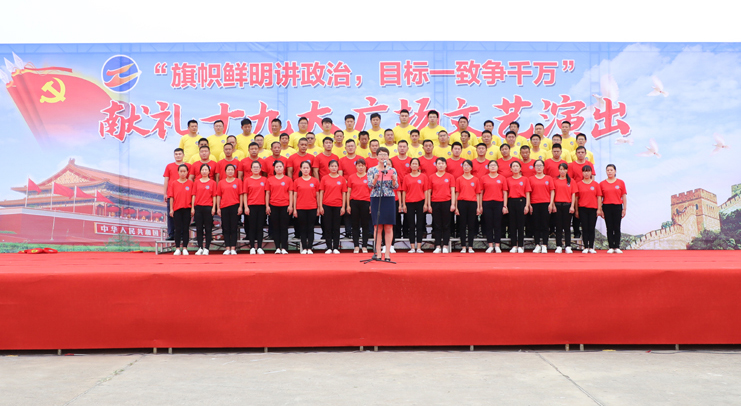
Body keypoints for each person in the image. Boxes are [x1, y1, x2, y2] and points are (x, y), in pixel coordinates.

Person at [367, 147, 399, 261]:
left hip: (389, 198)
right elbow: (370, 185)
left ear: (388, 157)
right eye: (380, 154)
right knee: (378, 227)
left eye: (385, 154)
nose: (383, 157)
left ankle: (388, 253)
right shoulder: (372, 170)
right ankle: (378, 253)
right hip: (376, 198)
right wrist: (375, 179)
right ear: (377, 157)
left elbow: (395, 186)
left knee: (389, 226)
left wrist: (394, 180)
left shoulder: (392, 170)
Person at [401, 158, 430, 253]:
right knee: (411, 225)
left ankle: (419, 247)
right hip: (409, 202)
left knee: (420, 225)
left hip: (420, 202)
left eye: (416, 164)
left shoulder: (423, 177)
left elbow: (426, 191)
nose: (414, 165)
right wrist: (404, 204)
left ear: (418, 166)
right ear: (410, 166)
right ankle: (412, 247)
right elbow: (404, 191)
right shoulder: (406, 177)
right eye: (412, 163)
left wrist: (426, 204)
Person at [319, 160, 347, 254]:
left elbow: (344, 193)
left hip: (338, 205)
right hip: (327, 205)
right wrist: (320, 206)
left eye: (335, 166)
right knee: (327, 227)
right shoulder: (324, 178)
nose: (334, 168)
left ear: (338, 167)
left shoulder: (342, 179)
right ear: (329, 167)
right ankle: (328, 247)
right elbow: (321, 192)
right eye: (332, 166)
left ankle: (335, 247)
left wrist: (343, 207)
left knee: (336, 227)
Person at [265, 160, 294, 254]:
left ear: (283, 168)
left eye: (280, 166)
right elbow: (267, 193)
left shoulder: (288, 179)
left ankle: (284, 247)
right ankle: (277, 247)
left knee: (284, 227)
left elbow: (291, 193)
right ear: (274, 168)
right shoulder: (270, 179)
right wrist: (267, 206)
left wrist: (291, 205)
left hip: (285, 205)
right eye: (277, 167)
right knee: (275, 227)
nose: (279, 168)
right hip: (273, 205)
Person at [429, 158, 456, 253]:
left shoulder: (450, 176)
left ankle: (445, 245)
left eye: (442, 163)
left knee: (446, 225)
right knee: (437, 225)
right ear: (436, 165)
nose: (441, 165)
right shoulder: (431, 177)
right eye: (439, 163)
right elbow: (429, 192)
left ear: (446, 165)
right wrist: (429, 205)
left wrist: (453, 204)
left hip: (447, 202)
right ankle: (437, 246)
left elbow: (453, 191)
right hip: (435, 202)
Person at [481, 160, 508, 253]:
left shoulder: (502, 178)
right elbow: (481, 192)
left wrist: (505, 205)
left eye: (494, 165)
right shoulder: (484, 178)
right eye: (491, 165)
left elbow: (505, 192)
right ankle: (490, 245)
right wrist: (480, 205)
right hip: (487, 202)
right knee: (488, 224)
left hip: (498, 203)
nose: (493, 167)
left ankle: (497, 245)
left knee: (497, 224)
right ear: (488, 167)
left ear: (497, 167)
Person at [293, 161, 320, 254]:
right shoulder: (297, 181)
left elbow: (318, 195)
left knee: (310, 228)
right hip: (300, 207)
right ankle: (304, 247)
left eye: (307, 168)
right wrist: (294, 209)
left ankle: (310, 248)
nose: (305, 170)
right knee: (303, 228)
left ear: (310, 169)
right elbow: (295, 196)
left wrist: (318, 207)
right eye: (304, 168)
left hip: (312, 207)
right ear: (300, 169)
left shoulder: (315, 181)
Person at [455, 160, 482, 253]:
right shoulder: (459, 179)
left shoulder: (475, 179)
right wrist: (456, 207)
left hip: (472, 203)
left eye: (468, 165)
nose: (466, 167)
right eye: (464, 165)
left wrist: (478, 207)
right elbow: (457, 193)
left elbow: (478, 194)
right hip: (462, 203)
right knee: (462, 226)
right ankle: (463, 246)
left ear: (471, 168)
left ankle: (470, 246)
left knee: (471, 226)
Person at [528, 160, 555, 253]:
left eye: (540, 165)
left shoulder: (548, 178)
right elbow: (529, 192)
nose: (539, 167)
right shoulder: (531, 179)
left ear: (543, 167)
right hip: (534, 203)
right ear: (534, 167)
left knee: (545, 225)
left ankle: (544, 245)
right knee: (536, 225)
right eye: (537, 165)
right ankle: (537, 245)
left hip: (546, 203)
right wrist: (529, 205)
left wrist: (551, 203)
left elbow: (552, 191)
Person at [599, 164, 627, 254]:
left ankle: (617, 246)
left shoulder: (620, 182)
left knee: (617, 227)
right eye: (608, 170)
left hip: (617, 206)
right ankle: (611, 246)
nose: (609, 172)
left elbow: (624, 196)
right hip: (606, 206)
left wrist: (624, 208)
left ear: (615, 171)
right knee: (609, 227)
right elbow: (600, 197)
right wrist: (600, 209)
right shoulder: (602, 184)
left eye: (611, 170)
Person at [574, 165, 602, 254]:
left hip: (593, 209)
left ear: (591, 173)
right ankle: (585, 246)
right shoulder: (579, 184)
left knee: (591, 228)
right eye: (585, 171)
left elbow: (599, 197)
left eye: (588, 171)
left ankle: (591, 246)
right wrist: (576, 210)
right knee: (584, 228)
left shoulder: (595, 184)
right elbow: (576, 198)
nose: (586, 173)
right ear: (582, 173)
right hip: (582, 209)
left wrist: (599, 209)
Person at [163, 148, 190, 240]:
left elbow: (190, 180)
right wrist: (165, 193)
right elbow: (166, 180)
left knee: (184, 215)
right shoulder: (169, 166)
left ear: (183, 155)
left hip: (184, 195)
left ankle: (182, 234)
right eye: (176, 154)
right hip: (172, 194)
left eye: (179, 154)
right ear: (174, 155)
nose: (178, 156)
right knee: (171, 214)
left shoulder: (188, 166)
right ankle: (171, 234)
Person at [216, 164, 243, 255]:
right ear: (225, 171)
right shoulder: (221, 182)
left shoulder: (238, 181)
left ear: (234, 171)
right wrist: (218, 207)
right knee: (226, 228)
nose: (230, 171)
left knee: (234, 228)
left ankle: (233, 248)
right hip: (224, 207)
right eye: (228, 170)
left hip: (235, 206)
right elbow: (219, 195)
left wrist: (240, 206)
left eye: (232, 170)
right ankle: (227, 247)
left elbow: (241, 194)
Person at [191, 163, 217, 255]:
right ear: (200, 171)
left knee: (208, 228)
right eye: (203, 170)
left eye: (206, 170)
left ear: (209, 171)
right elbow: (193, 195)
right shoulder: (196, 182)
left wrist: (214, 207)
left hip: (208, 207)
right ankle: (200, 247)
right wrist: (193, 207)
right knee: (199, 229)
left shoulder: (212, 183)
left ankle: (207, 248)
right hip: (198, 207)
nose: (204, 171)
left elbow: (214, 196)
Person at [168, 164, 194, 255]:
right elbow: (171, 197)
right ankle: (178, 248)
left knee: (186, 229)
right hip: (177, 209)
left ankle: (185, 248)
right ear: (178, 172)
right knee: (177, 229)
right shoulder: (174, 183)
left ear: (187, 172)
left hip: (187, 209)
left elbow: (193, 196)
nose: (183, 173)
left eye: (184, 171)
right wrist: (171, 209)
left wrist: (192, 208)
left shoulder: (190, 183)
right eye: (181, 171)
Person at [347, 159, 371, 254]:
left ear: (365, 166)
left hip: (366, 202)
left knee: (365, 225)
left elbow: (371, 192)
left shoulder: (369, 177)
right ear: (356, 166)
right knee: (355, 225)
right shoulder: (351, 177)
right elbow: (348, 191)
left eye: (362, 165)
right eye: (359, 165)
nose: (361, 167)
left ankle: (364, 245)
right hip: (354, 202)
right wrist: (348, 205)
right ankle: (356, 245)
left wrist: (371, 205)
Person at [506, 161, 531, 253]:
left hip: (521, 201)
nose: (515, 168)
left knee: (521, 224)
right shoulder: (508, 179)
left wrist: (527, 205)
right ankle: (513, 245)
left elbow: (527, 193)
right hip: (511, 202)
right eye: (513, 166)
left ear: (520, 168)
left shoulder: (525, 179)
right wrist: (506, 205)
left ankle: (520, 245)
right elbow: (506, 193)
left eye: (517, 166)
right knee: (512, 224)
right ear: (511, 169)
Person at [243, 160, 267, 255]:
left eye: (257, 167)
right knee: (252, 227)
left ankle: (260, 247)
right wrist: (246, 207)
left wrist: (267, 206)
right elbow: (245, 194)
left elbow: (267, 193)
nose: (256, 169)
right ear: (251, 169)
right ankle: (252, 247)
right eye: (254, 167)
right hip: (251, 206)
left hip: (261, 206)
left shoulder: (264, 180)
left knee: (260, 227)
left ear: (260, 169)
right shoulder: (247, 180)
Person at [553, 163, 576, 254]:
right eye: (561, 169)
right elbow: (552, 193)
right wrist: (553, 205)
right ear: (558, 170)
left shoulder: (571, 181)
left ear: (567, 170)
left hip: (567, 205)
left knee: (567, 227)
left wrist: (572, 206)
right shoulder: (555, 180)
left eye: (564, 169)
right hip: (557, 205)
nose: (562, 171)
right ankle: (558, 245)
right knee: (558, 227)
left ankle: (568, 246)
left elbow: (573, 194)